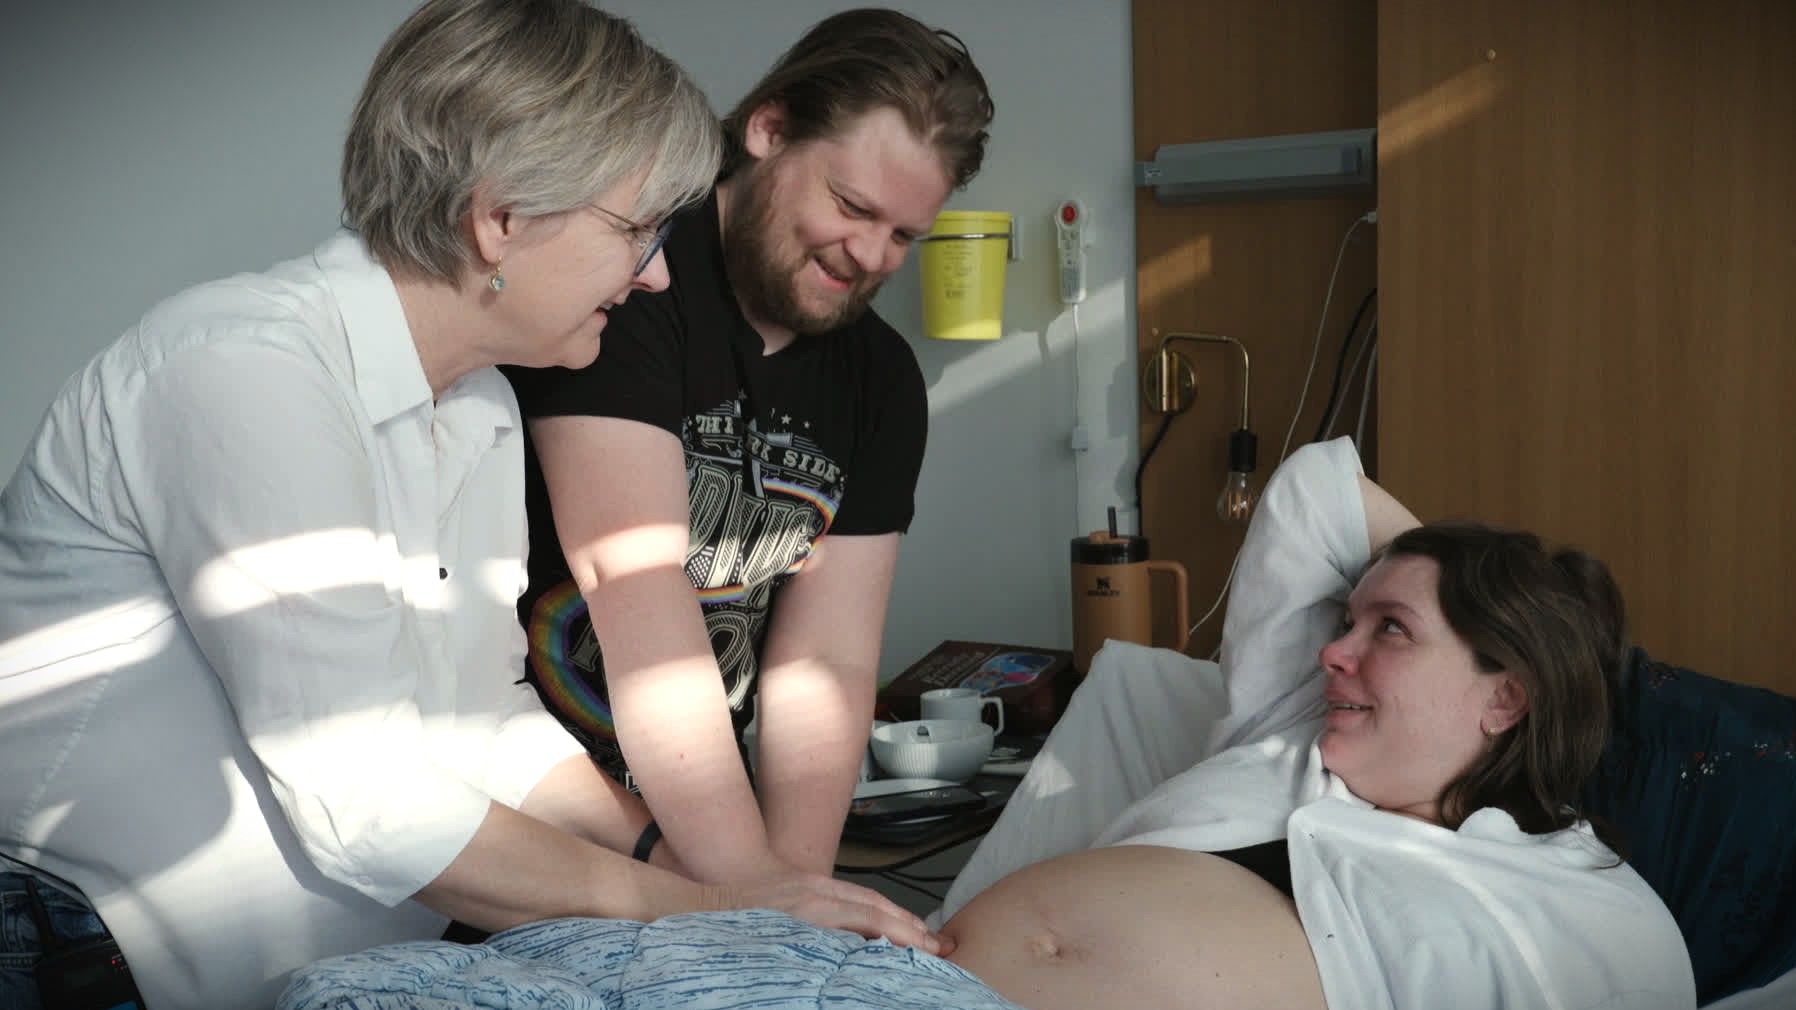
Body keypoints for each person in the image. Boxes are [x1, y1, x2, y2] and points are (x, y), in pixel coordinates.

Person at [0, 3, 940, 1009]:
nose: (658, 273)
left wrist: (697, 872)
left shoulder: (478, 403)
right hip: (90, 955)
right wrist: (694, 905)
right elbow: (366, 801)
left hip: (328, 966)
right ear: (501, 218)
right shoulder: (245, 370)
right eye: (636, 231)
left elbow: (480, 719)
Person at [277, 436, 1693, 1010]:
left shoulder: (1562, 896)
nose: (1336, 648)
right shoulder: (1286, 743)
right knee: (364, 996)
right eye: (1348, 618)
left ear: (1507, 693)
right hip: (880, 974)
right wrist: (1452, 578)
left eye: (1387, 632)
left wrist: (1522, 612)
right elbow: (1317, 496)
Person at [501, 8, 995, 888]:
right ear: (768, 128)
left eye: (903, 236)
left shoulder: (881, 380)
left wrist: (794, 888)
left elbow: (826, 663)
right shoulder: (634, 282)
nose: (870, 255)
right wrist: (746, 880)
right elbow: (635, 583)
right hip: (539, 810)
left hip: (708, 835)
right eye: (852, 207)